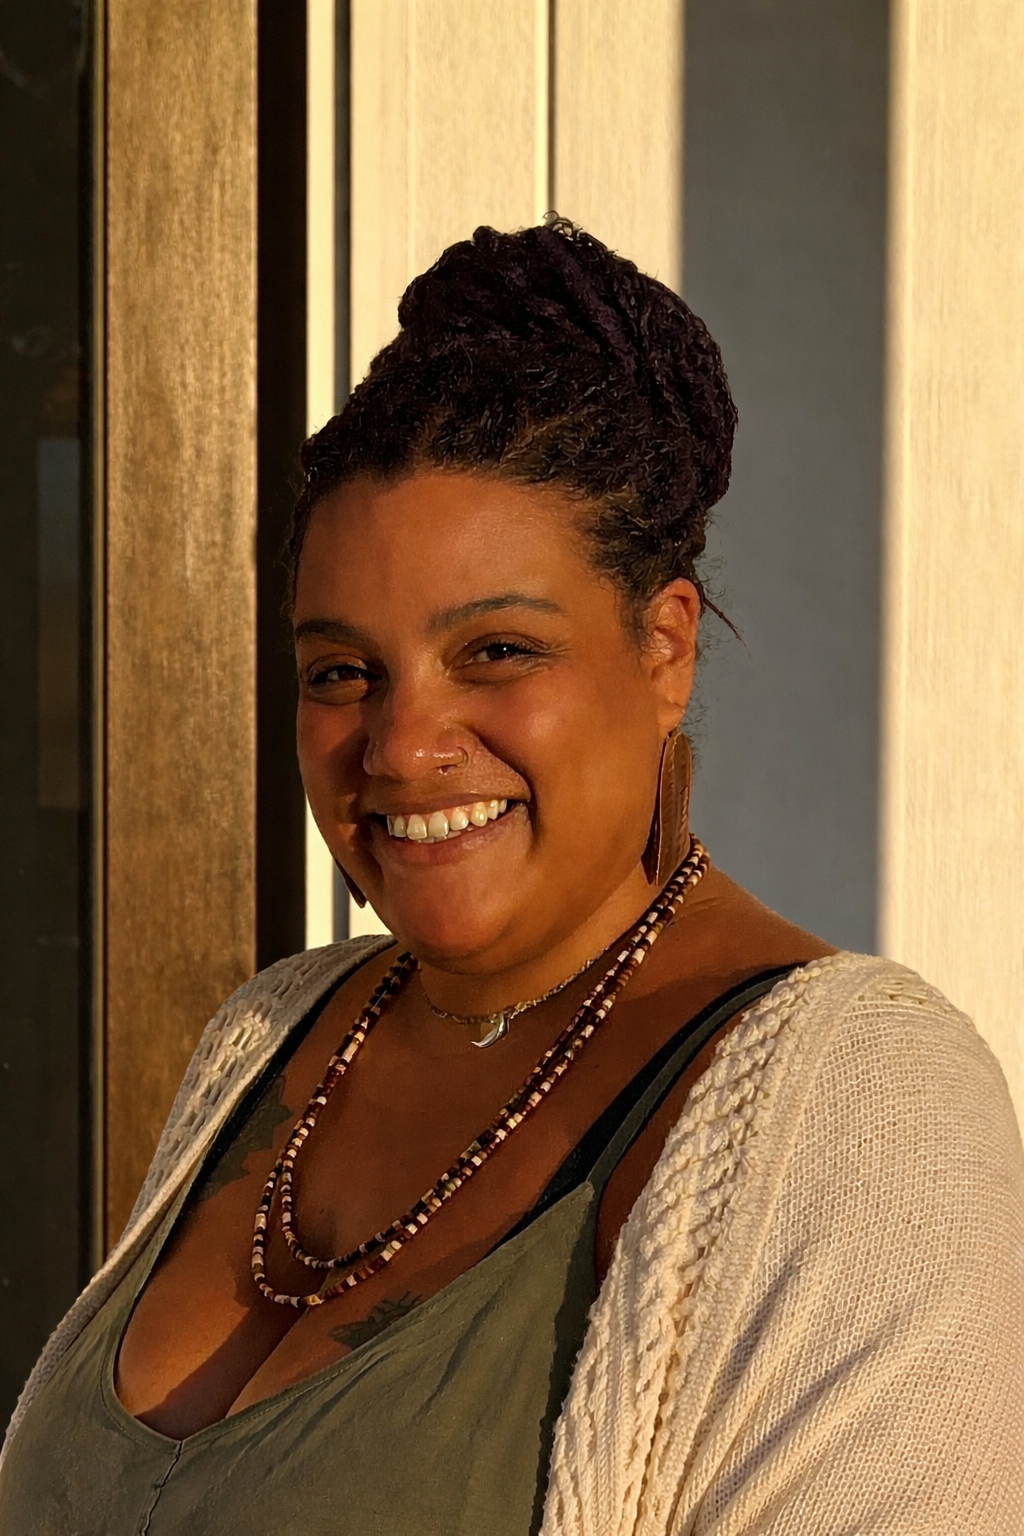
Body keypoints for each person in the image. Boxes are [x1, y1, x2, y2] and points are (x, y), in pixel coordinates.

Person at [1, 220, 1020, 1535]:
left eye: (494, 651)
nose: (400, 747)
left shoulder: (859, 1111)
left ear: (665, 648)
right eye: (340, 670)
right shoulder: (270, 1037)